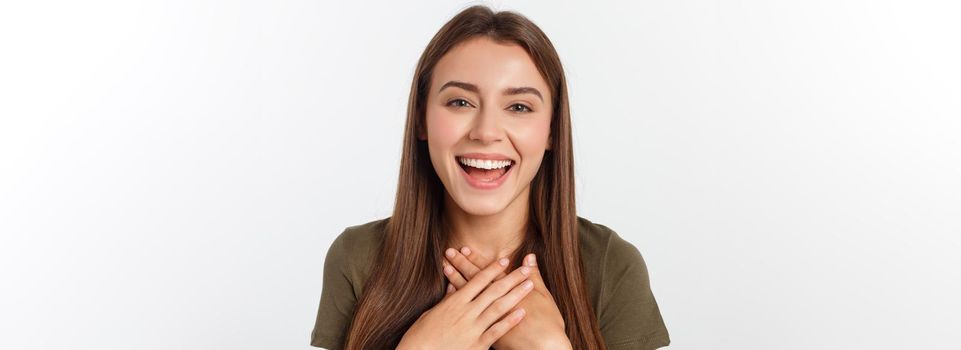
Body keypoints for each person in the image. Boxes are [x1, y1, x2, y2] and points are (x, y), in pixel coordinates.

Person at [311, 5, 670, 349]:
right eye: (460, 102)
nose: (486, 132)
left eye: (518, 107)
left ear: (551, 131)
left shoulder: (609, 266)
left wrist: (549, 348)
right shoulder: (359, 258)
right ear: (421, 119)